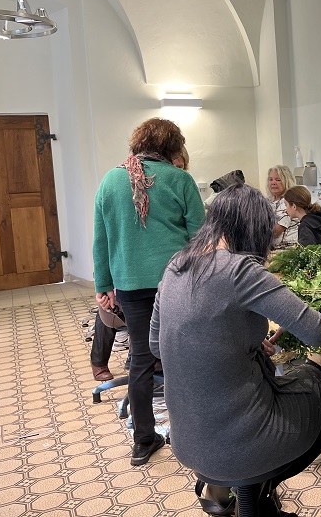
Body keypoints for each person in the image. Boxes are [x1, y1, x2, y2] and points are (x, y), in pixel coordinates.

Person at [149, 183, 321, 517]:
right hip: (236, 442)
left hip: (187, 439)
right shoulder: (240, 270)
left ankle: (237, 493)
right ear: (254, 229)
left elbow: (157, 344)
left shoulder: (176, 265)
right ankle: (258, 498)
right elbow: (319, 332)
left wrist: (238, 343)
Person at [92, 118, 205, 466]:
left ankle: (143, 440)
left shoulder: (110, 180)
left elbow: (101, 238)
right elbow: (200, 237)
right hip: (176, 281)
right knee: (184, 355)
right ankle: (195, 434)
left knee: (141, 358)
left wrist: (103, 285)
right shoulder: (180, 179)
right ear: (172, 146)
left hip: (129, 283)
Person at [90, 146, 191, 382]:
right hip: (128, 280)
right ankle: (101, 361)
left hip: (166, 279)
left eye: (180, 167)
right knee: (111, 302)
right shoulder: (116, 183)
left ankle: (150, 365)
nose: (175, 170)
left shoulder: (178, 184)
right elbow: (102, 240)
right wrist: (103, 284)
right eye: (174, 164)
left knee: (151, 347)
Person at [267, 164, 298, 248]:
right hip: (273, 248)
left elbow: (276, 232)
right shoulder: (268, 201)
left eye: (278, 180)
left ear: (287, 181)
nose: (273, 183)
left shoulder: (289, 201)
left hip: (288, 249)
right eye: (270, 179)